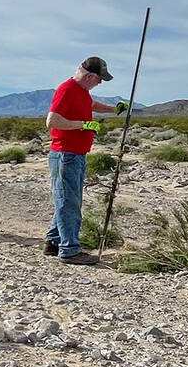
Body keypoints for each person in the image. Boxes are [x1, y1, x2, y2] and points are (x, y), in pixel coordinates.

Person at [45, 56, 127, 265]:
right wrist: (84, 125)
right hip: (66, 155)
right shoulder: (67, 89)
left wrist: (113, 109)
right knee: (69, 201)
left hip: (75, 155)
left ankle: (54, 242)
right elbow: (52, 120)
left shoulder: (82, 92)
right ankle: (69, 250)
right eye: (100, 80)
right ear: (90, 76)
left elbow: (91, 104)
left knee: (67, 198)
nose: (100, 83)